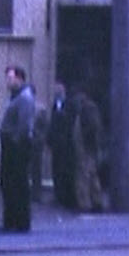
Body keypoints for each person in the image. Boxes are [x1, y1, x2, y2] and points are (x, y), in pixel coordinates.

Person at [0, 65, 35, 232]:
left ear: (20, 79)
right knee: (10, 184)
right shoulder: (16, 96)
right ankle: (12, 220)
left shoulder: (24, 98)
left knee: (17, 183)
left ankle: (20, 221)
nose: (8, 81)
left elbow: (24, 124)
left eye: (11, 77)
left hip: (17, 147)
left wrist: (15, 140)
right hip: (12, 144)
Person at [71, 85, 105, 212]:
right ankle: (97, 202)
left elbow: (91, 128)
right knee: (92, 175)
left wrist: (89, 144)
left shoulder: (86, 109)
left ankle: (85, 204)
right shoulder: (90, 108)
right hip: (89, 147)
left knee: (83, 176)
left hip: (85, 148)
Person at [47, 81, 76, 209]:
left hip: (66, 144)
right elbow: (52, 124)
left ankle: (66, 198)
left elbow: (69, 123)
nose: (56, 93)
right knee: (56, 170)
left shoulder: (69, 105)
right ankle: (58, 195)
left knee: (65, 170)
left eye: (58, 91)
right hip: (56, 144)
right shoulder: (55, 105)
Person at [30, 87, 49, 204]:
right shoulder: (39, 108)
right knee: (31, 168)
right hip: (29, 141)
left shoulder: (40, 109)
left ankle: (36, 193)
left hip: (36, 142)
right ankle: (33, 193)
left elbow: (45, 126)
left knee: (36, 168)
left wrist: (42, 138)